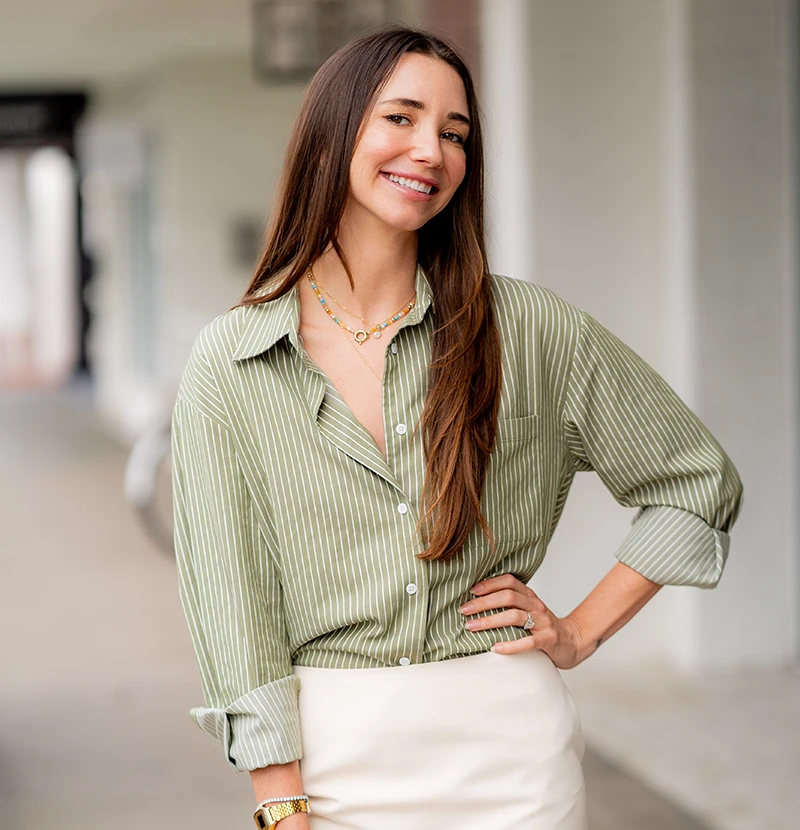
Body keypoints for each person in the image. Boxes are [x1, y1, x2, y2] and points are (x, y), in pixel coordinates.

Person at [171, 26, 743, 830]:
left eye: (454, 133)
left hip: (512, 760)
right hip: (330, 764)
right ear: (334, 134)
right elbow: (232, 603)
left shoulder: (530, 329)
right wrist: (280, 804)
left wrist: (578, 631)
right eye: (401, 118)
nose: (430, 150)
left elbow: (695, 482)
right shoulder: (231, 363)